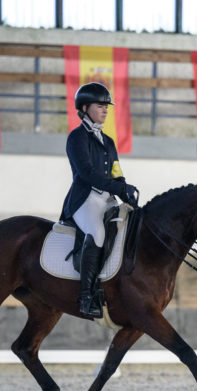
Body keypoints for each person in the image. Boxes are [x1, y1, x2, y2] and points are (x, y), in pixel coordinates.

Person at [60, 82, 139, 318]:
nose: (106, 110)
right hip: (85, 199)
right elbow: (86, 172)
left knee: (129, 226)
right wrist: (115, 186)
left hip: (106, 199)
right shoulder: (77, 138)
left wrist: (124, 188)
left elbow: (115, 170)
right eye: (100, 105)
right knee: (97, 233)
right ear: (84, 107)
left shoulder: (109, 141)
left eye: (107, 106)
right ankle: (86, 295)